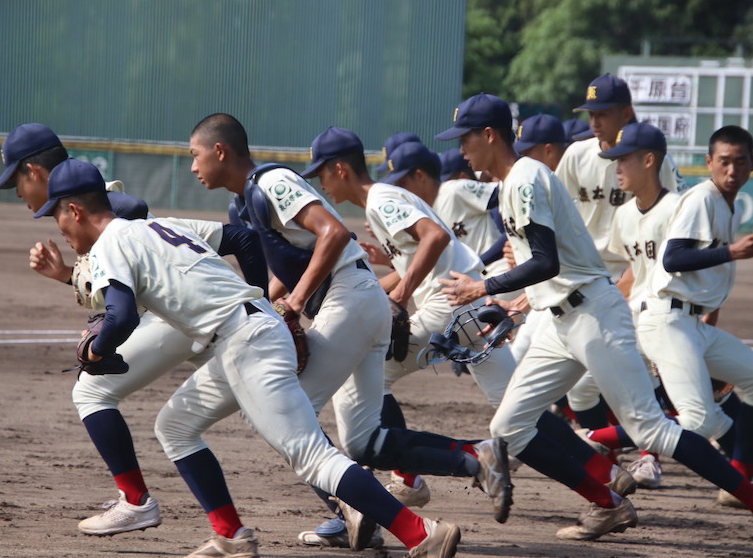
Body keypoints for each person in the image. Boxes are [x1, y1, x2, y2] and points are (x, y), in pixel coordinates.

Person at [35, 157, 463, 558]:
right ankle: (230, 536)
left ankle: (421, 533)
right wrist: (259, 298)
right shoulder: (160, 226)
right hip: (250, 329)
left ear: (74, 209)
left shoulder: (109, 242)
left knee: (311, 455)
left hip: (243, 341)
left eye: (56, 214)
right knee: (176, 425)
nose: (59, 226)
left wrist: (94, 349)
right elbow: (243, 240)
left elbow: (121, 314)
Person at [436, 93, 753, 549]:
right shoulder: (513, 184)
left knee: (652, 429)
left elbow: (545, 261)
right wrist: (511, 303)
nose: (461, 149)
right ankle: (608, 504)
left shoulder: (525, 178)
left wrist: (483, 289)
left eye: (466, 138)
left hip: (594, 315)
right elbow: (541, 267)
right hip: (560, 321)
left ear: (489, 135)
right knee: (507, 428)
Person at [188, 113, 498, 550]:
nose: (193, 166)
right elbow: (284, 270)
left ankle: (354, 509)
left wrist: (294, 304)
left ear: (220, 151)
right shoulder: (246, 200)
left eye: (195, 155)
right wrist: (269, 304)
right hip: (356, 302)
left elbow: (333, 233)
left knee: (280, 413)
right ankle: (468, 458)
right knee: (363, 439)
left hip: (349, 298)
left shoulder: (271, 181)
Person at [0, 123, 269, 537]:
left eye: (15, 179)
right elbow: (113, 276)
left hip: (174, 312)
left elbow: (132, 211)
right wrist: (68, 276)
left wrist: (107, 324)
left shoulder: (92, 197)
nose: (16, 191)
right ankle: (340, 500)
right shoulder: (76, 198)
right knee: (267, 406)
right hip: (186, 309)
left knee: (91, 390)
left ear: (33, 170)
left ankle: (136, 502)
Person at [302, 126, 516, 524]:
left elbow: (436, 236)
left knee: (366, 375)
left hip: (449, 304)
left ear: (341, 169)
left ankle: (447, 465)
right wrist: (387, 273)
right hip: (458, 304)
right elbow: (423, 252)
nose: (321, 184)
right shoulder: (378, 204)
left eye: (322, 173)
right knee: (519, 410)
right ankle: (596, 477)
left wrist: (399, 298)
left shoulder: (381, 198)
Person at [635, 125, 753, 505]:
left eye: (741, 162)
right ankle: (602, 437)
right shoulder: (703, 197)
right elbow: (674, 258)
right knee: (700, 421)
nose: (732, 171)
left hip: (691, 324)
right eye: (725, 162)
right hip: (666, 321)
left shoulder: (725, 202)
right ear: (709, 162)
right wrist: (730, 252)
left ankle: (743, 470)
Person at [552, 73, 685, 440]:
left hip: (637, 278)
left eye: (603, 113)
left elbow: (668, 224)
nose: (594, 122)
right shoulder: (577, 155)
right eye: (589, 113)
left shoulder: (649, 160)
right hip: (584, 278)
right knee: (585, 386)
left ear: (626, 113)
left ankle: (740, 441)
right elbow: (556, 215)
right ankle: (612, 448)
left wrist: (630, 282)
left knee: (645, 372)